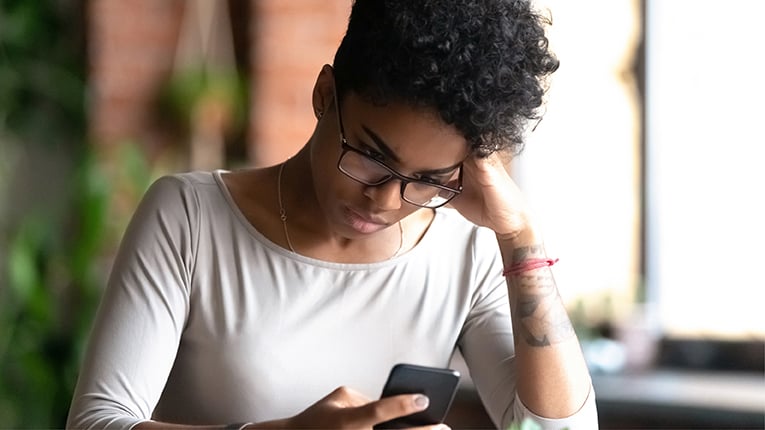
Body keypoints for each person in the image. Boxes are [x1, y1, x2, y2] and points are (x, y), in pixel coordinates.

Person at [67, 0, 598, 428]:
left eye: (430, 180)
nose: (386, 201)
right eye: (371, 158)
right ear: (325, 95)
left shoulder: (467, 251)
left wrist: (519, 234)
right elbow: (97, 421)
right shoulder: (190, 219)